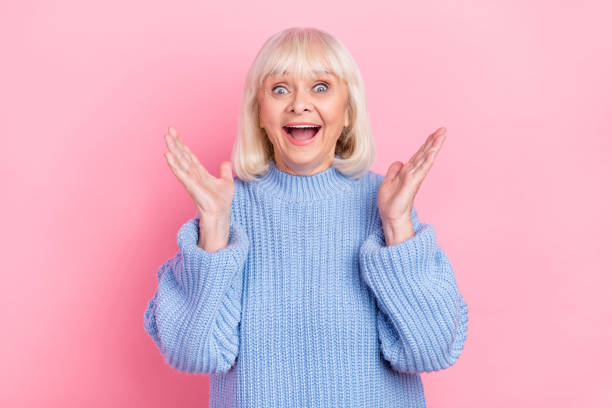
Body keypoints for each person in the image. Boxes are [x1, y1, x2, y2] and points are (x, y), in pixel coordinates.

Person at [144, 26, 468, 408]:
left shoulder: (386, 204)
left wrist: (397, 226)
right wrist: (214, 226)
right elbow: (191, 353)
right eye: (280, 89)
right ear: (259, 115)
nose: (299, 104)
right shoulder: (227, 208)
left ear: (347, 112)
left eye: (320, 87)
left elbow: (432, 350)